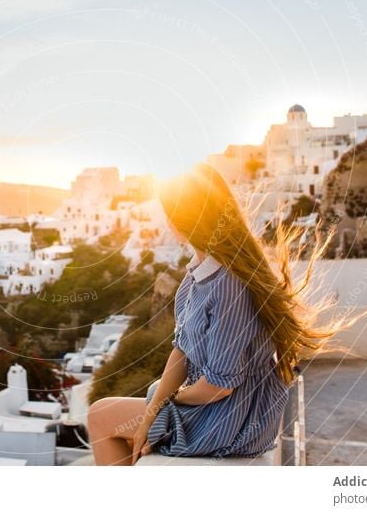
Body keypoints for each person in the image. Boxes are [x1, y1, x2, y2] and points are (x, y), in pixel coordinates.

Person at [87, 162, 341, 466]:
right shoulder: (198, 274)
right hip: (216, 407)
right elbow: (181, 351)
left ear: (179, 221)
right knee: (132, 424)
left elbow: (221, 385)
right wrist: (155, 407)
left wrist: (166, 403)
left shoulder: (227, 283)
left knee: (101, 417)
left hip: (230, 420)